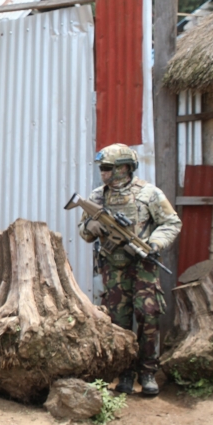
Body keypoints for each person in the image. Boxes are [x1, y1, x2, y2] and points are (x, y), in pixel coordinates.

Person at [78, 143, 182, 396]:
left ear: (124, 168)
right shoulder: (97, 197)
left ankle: (147, 372)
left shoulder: (149, 193)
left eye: (107, 168)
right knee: (119, 321)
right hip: (113, 268)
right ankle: (124, 372)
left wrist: (154, 244)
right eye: (102, 168)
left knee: (148, 315)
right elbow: (83, 231)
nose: (102, 172)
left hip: (144, 265)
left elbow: (171, 223)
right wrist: (91, 228)